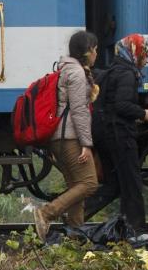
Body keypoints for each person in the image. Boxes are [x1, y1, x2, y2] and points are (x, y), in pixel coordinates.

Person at [77, 33, 148, 237]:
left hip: (104, 134)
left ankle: (76, 214)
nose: (145, 60)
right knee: (131, 183)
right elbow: (122, 105)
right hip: (120, 135)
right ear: (134, 52)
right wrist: (143, 113)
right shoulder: (127, 74)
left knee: (114, 184)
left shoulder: (111, 71)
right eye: (144, 54)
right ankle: (135, 230)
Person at [28, 30, 99, 240]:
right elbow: (79, 110)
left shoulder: (66, 69)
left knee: (76, 187)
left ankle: (75, 236)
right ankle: (46, 212)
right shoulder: (76, 73)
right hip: (70, 138)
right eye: (95, 49)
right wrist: (86, 144)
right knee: (89, 183)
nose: (96, 54)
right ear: (88, 51)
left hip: (59, 137)